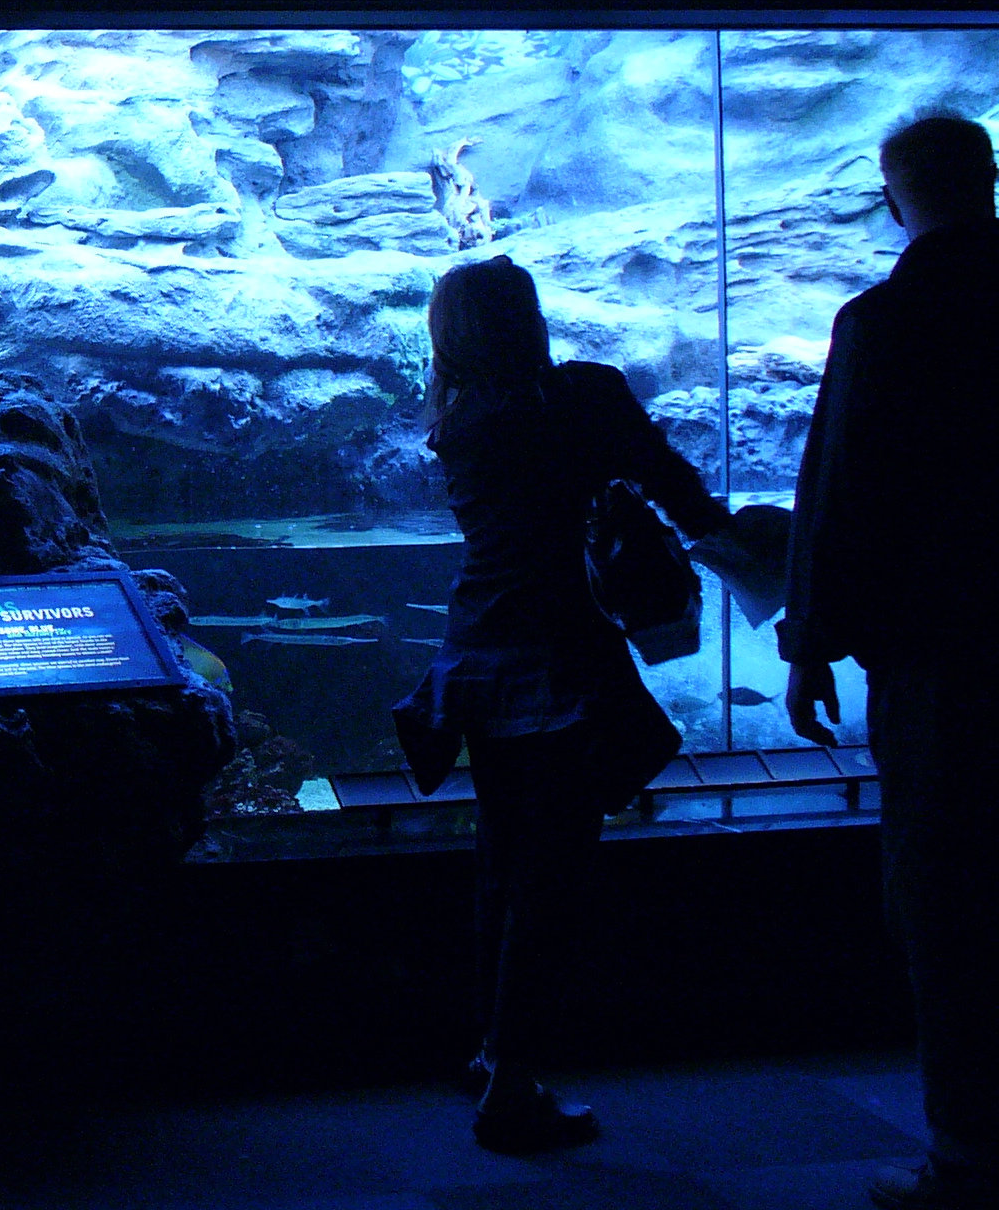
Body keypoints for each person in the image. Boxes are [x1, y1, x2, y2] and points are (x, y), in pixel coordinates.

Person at [393, 255, 736, 1154]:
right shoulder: (581, 397)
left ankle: (491, 1052)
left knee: (503, 861)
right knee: (553, 874)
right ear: (529, 319)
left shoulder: (458, 419)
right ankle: (513, 1085)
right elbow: (673, 484)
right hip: (558, 657)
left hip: (476, 652)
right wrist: (748, 549)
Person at [783, 113, 999, 1210]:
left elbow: (841, 494)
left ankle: (966, 1151)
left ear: (891, 198)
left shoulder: (883, 320)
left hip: (937, 661)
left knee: (944, 891)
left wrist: (810, 640)